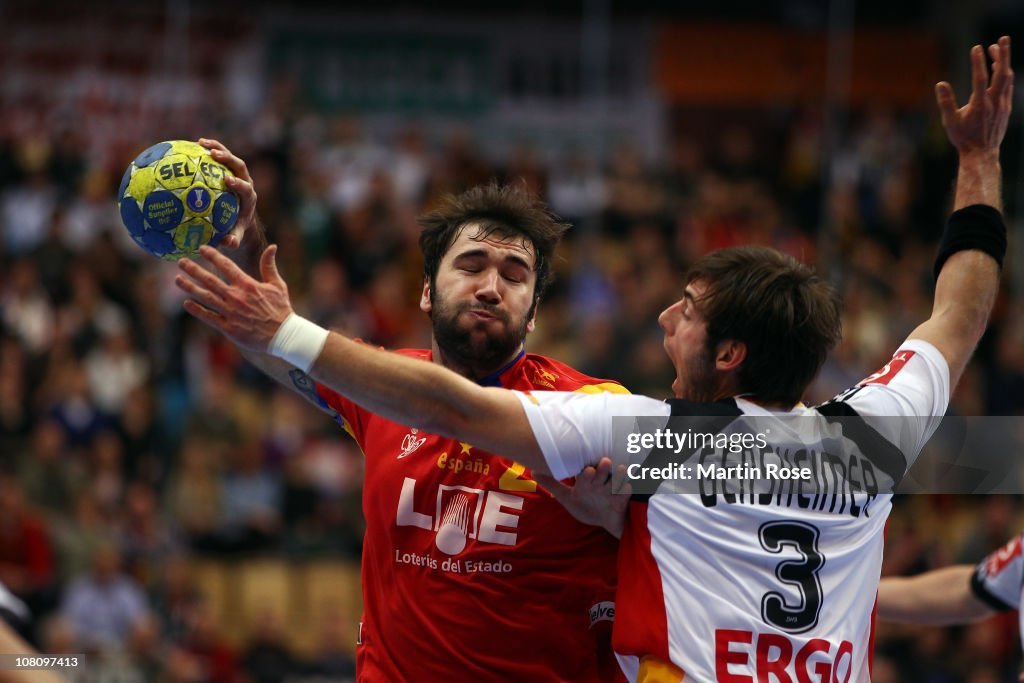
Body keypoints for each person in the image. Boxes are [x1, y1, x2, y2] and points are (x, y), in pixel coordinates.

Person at [177, 37, 1012, 681]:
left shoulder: (644, 431)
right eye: (472, 265)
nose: (660, 318)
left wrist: (290, 330)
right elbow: (962, 314)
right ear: (426, 292)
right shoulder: (874, 440)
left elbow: (454, 409)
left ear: (728, 352)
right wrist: (980, 164)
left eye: (684, 313)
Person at [184, 168, 627, 681]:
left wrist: (626, 522)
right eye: (471, 265)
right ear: (425, 292)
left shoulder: (593, 406)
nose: (490, 287)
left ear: (532, 315)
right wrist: (243, 238)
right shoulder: (381, 385)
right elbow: (272, 340)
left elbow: (734, 459)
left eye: (514, 275)